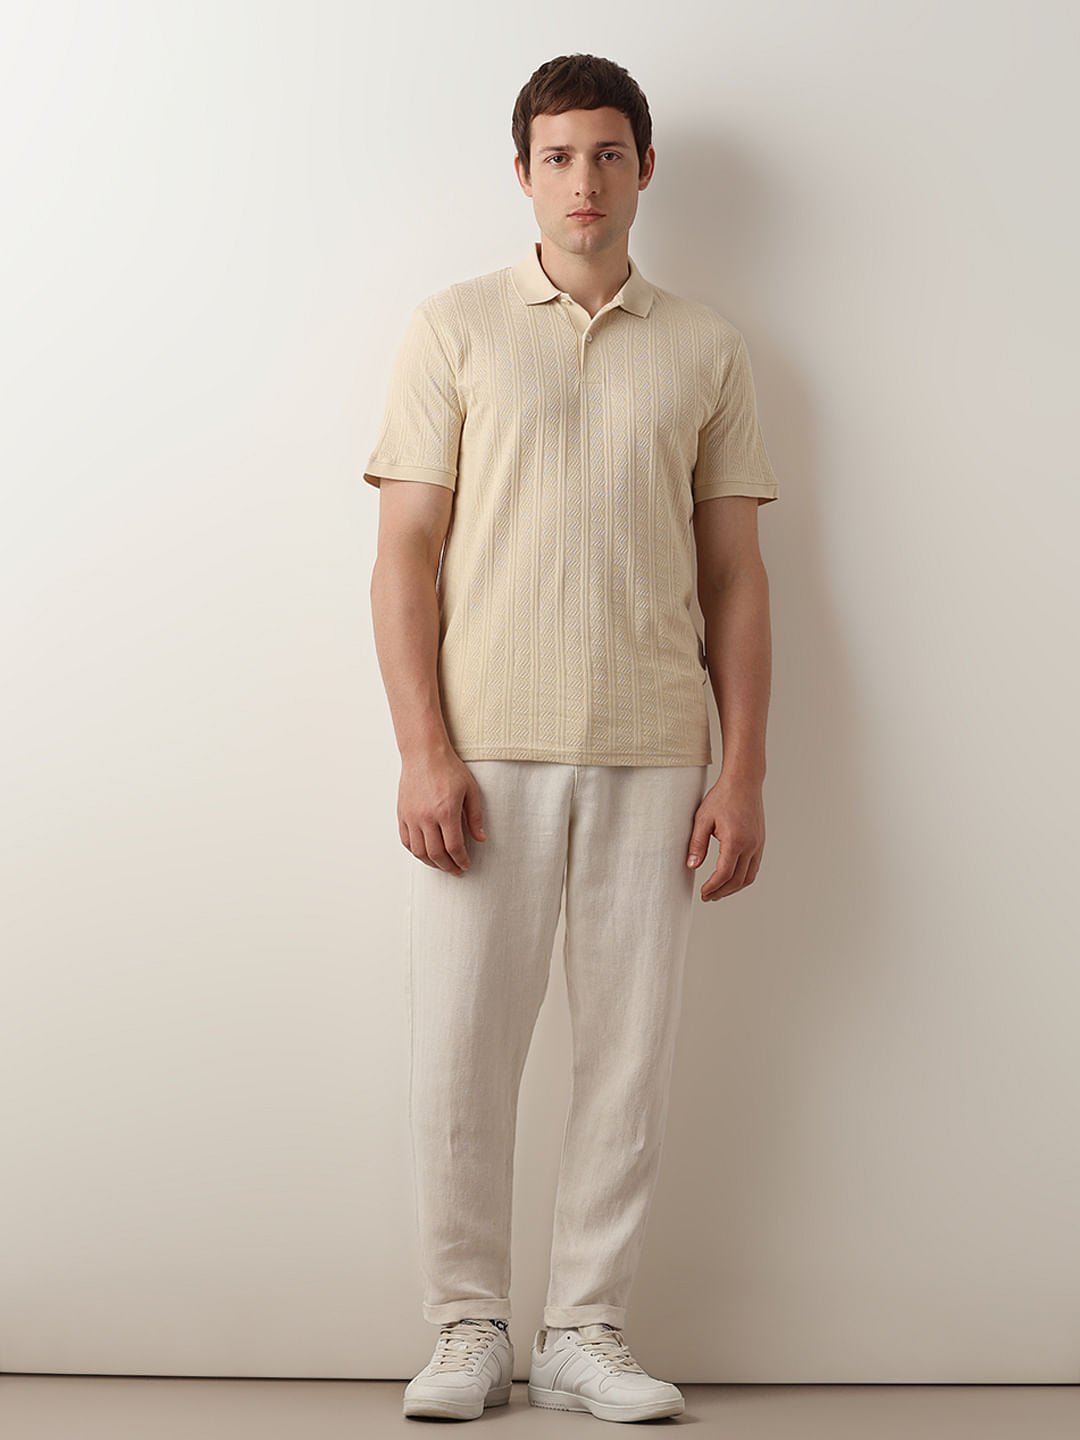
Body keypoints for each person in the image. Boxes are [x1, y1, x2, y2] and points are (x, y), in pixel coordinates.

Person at [364, 52, 779, 1423]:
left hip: (656, 749)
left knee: (627, 1057)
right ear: (524, 173)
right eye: (558, 157)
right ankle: (466, 1326)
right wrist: (423, 751)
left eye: (607, 154)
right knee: (460, 1054)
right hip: (484, 753)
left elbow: (736, 578)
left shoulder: (708, 348)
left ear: (645, 169)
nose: (583, 181)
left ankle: (587, 1330)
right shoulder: (455, 329)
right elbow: (404, 557)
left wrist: (742, 771)